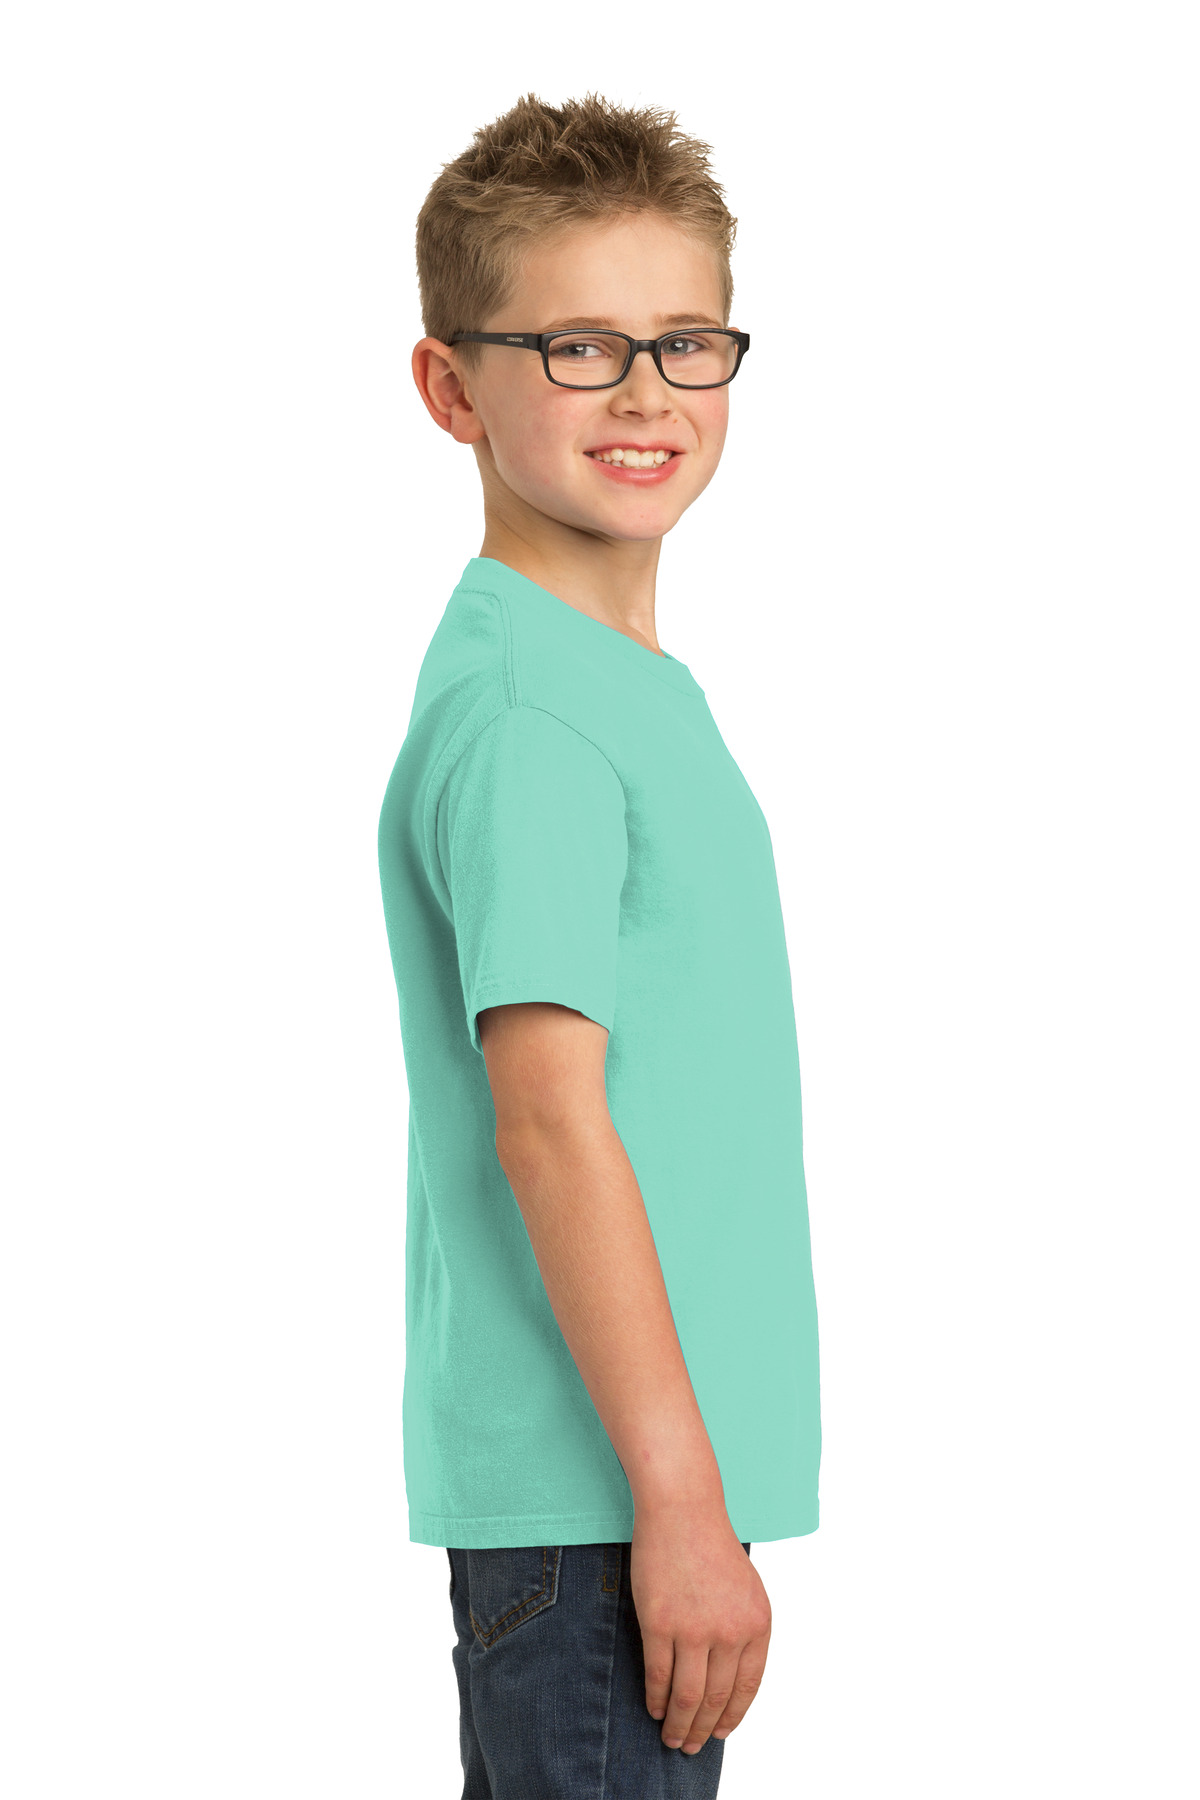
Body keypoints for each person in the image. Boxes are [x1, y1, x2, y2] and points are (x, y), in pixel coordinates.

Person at [377, 92, 821, 1799]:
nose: (646, 394)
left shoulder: (605, 686)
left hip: (610, 1509)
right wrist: (681, 1504)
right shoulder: (535, 719)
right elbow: (550, 1120)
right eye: (577, 347)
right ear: (451, 389)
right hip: (606, 1515)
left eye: (684, 341)